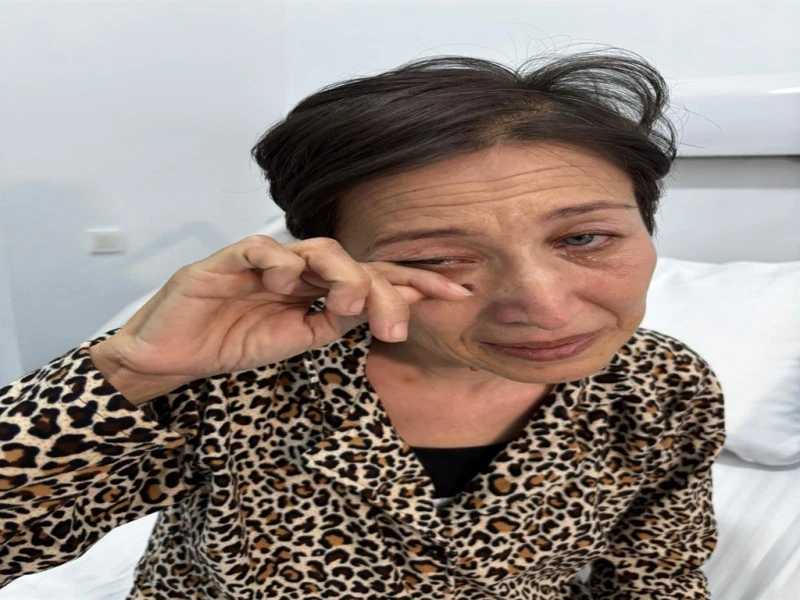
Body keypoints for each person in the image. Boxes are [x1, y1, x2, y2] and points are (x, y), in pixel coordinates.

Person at [0, 48, 725, 599]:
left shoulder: (662, 387)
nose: (546, 306)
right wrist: (128, 371)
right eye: (438, 258)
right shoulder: (238, 381)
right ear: (340, 259)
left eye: (585, 238)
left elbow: (657, 578)